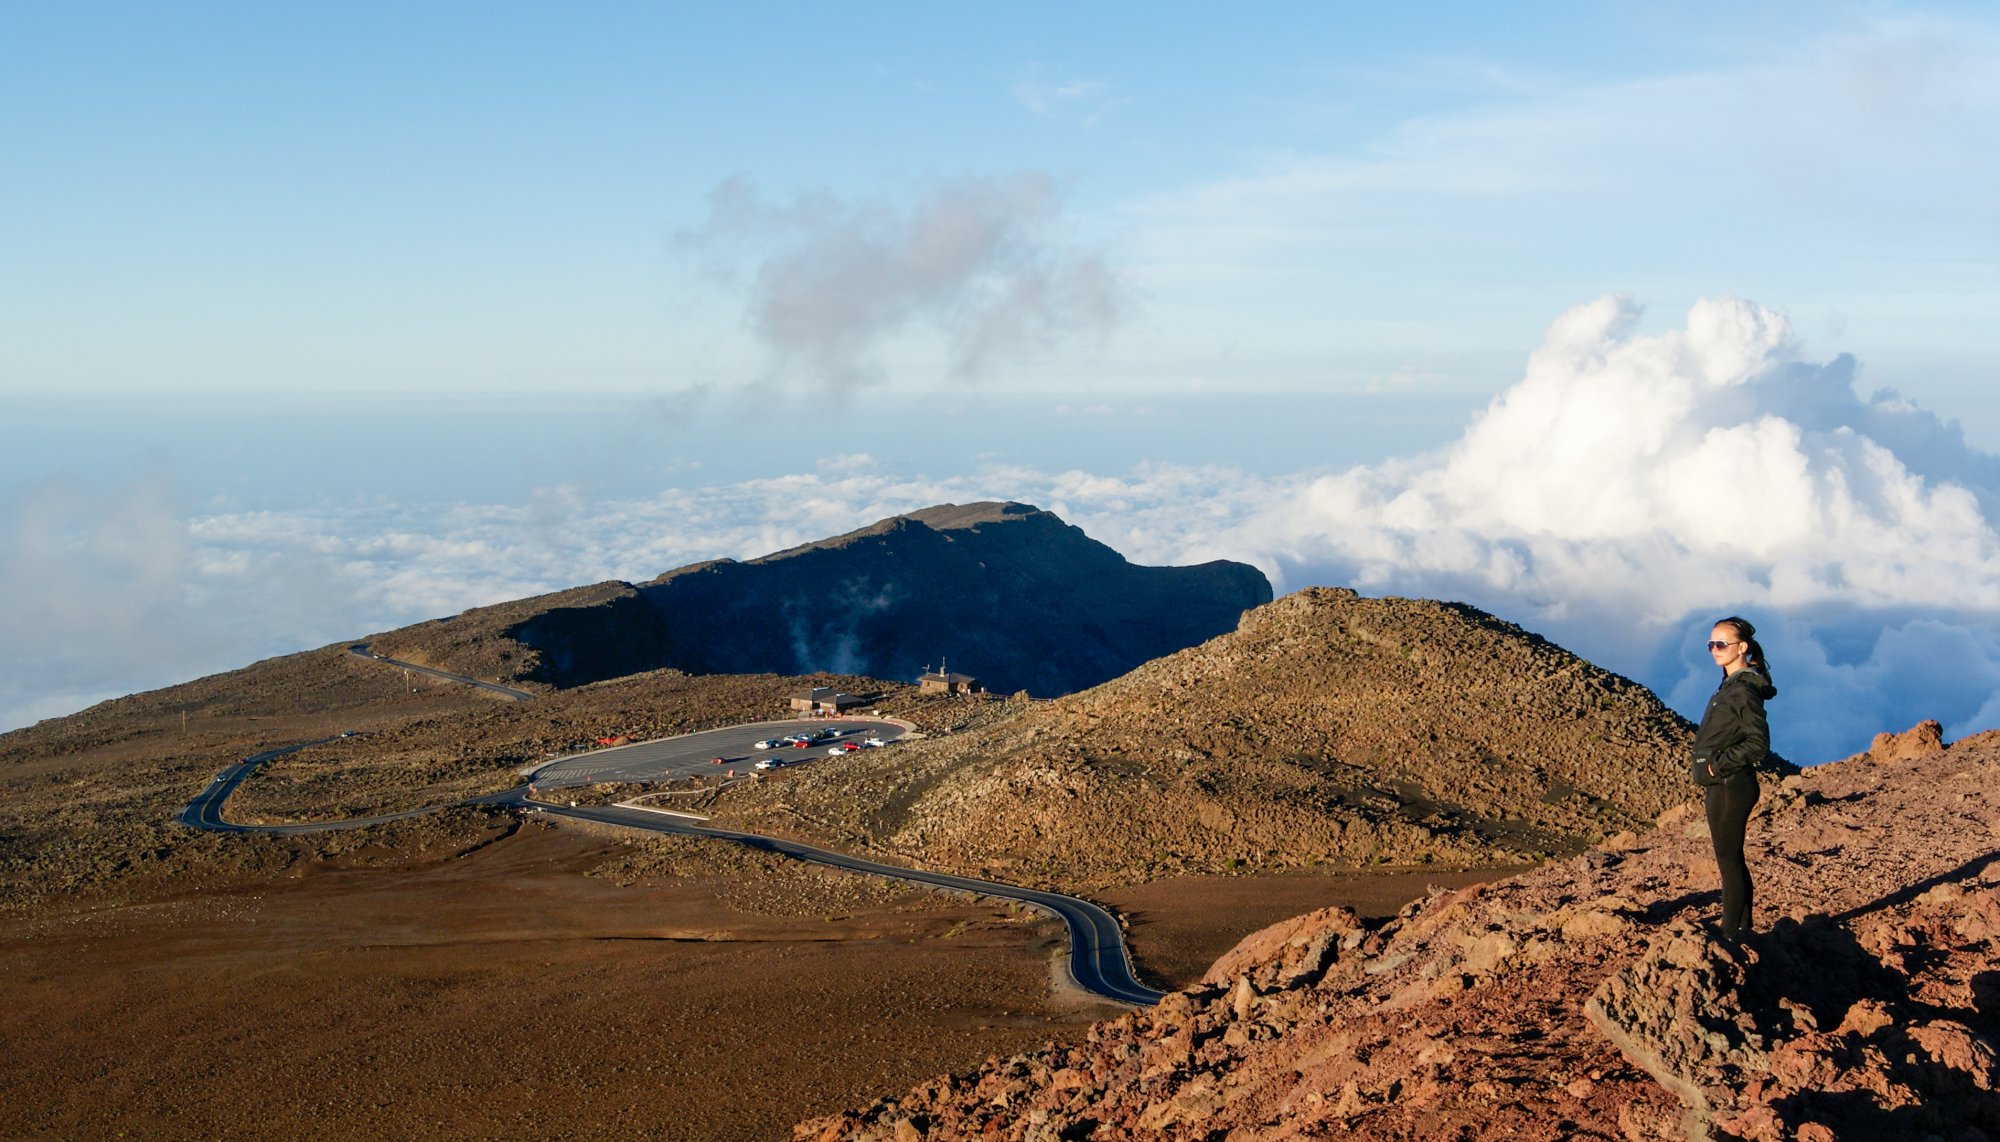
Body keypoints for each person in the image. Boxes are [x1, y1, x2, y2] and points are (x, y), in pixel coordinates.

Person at [1690, 615, 1777, 940]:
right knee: (1731, 858)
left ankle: (1730, 934)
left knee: (1728, 861)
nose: (1714, 649)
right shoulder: (1731, 686)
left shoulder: (1743, 691)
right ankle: (1742, 929)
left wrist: (1717, 765)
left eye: (1721, 644)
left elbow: (1759, 743)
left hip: (1730, 784)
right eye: (1711, 644)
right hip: (1723, 783)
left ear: (1741, 648)